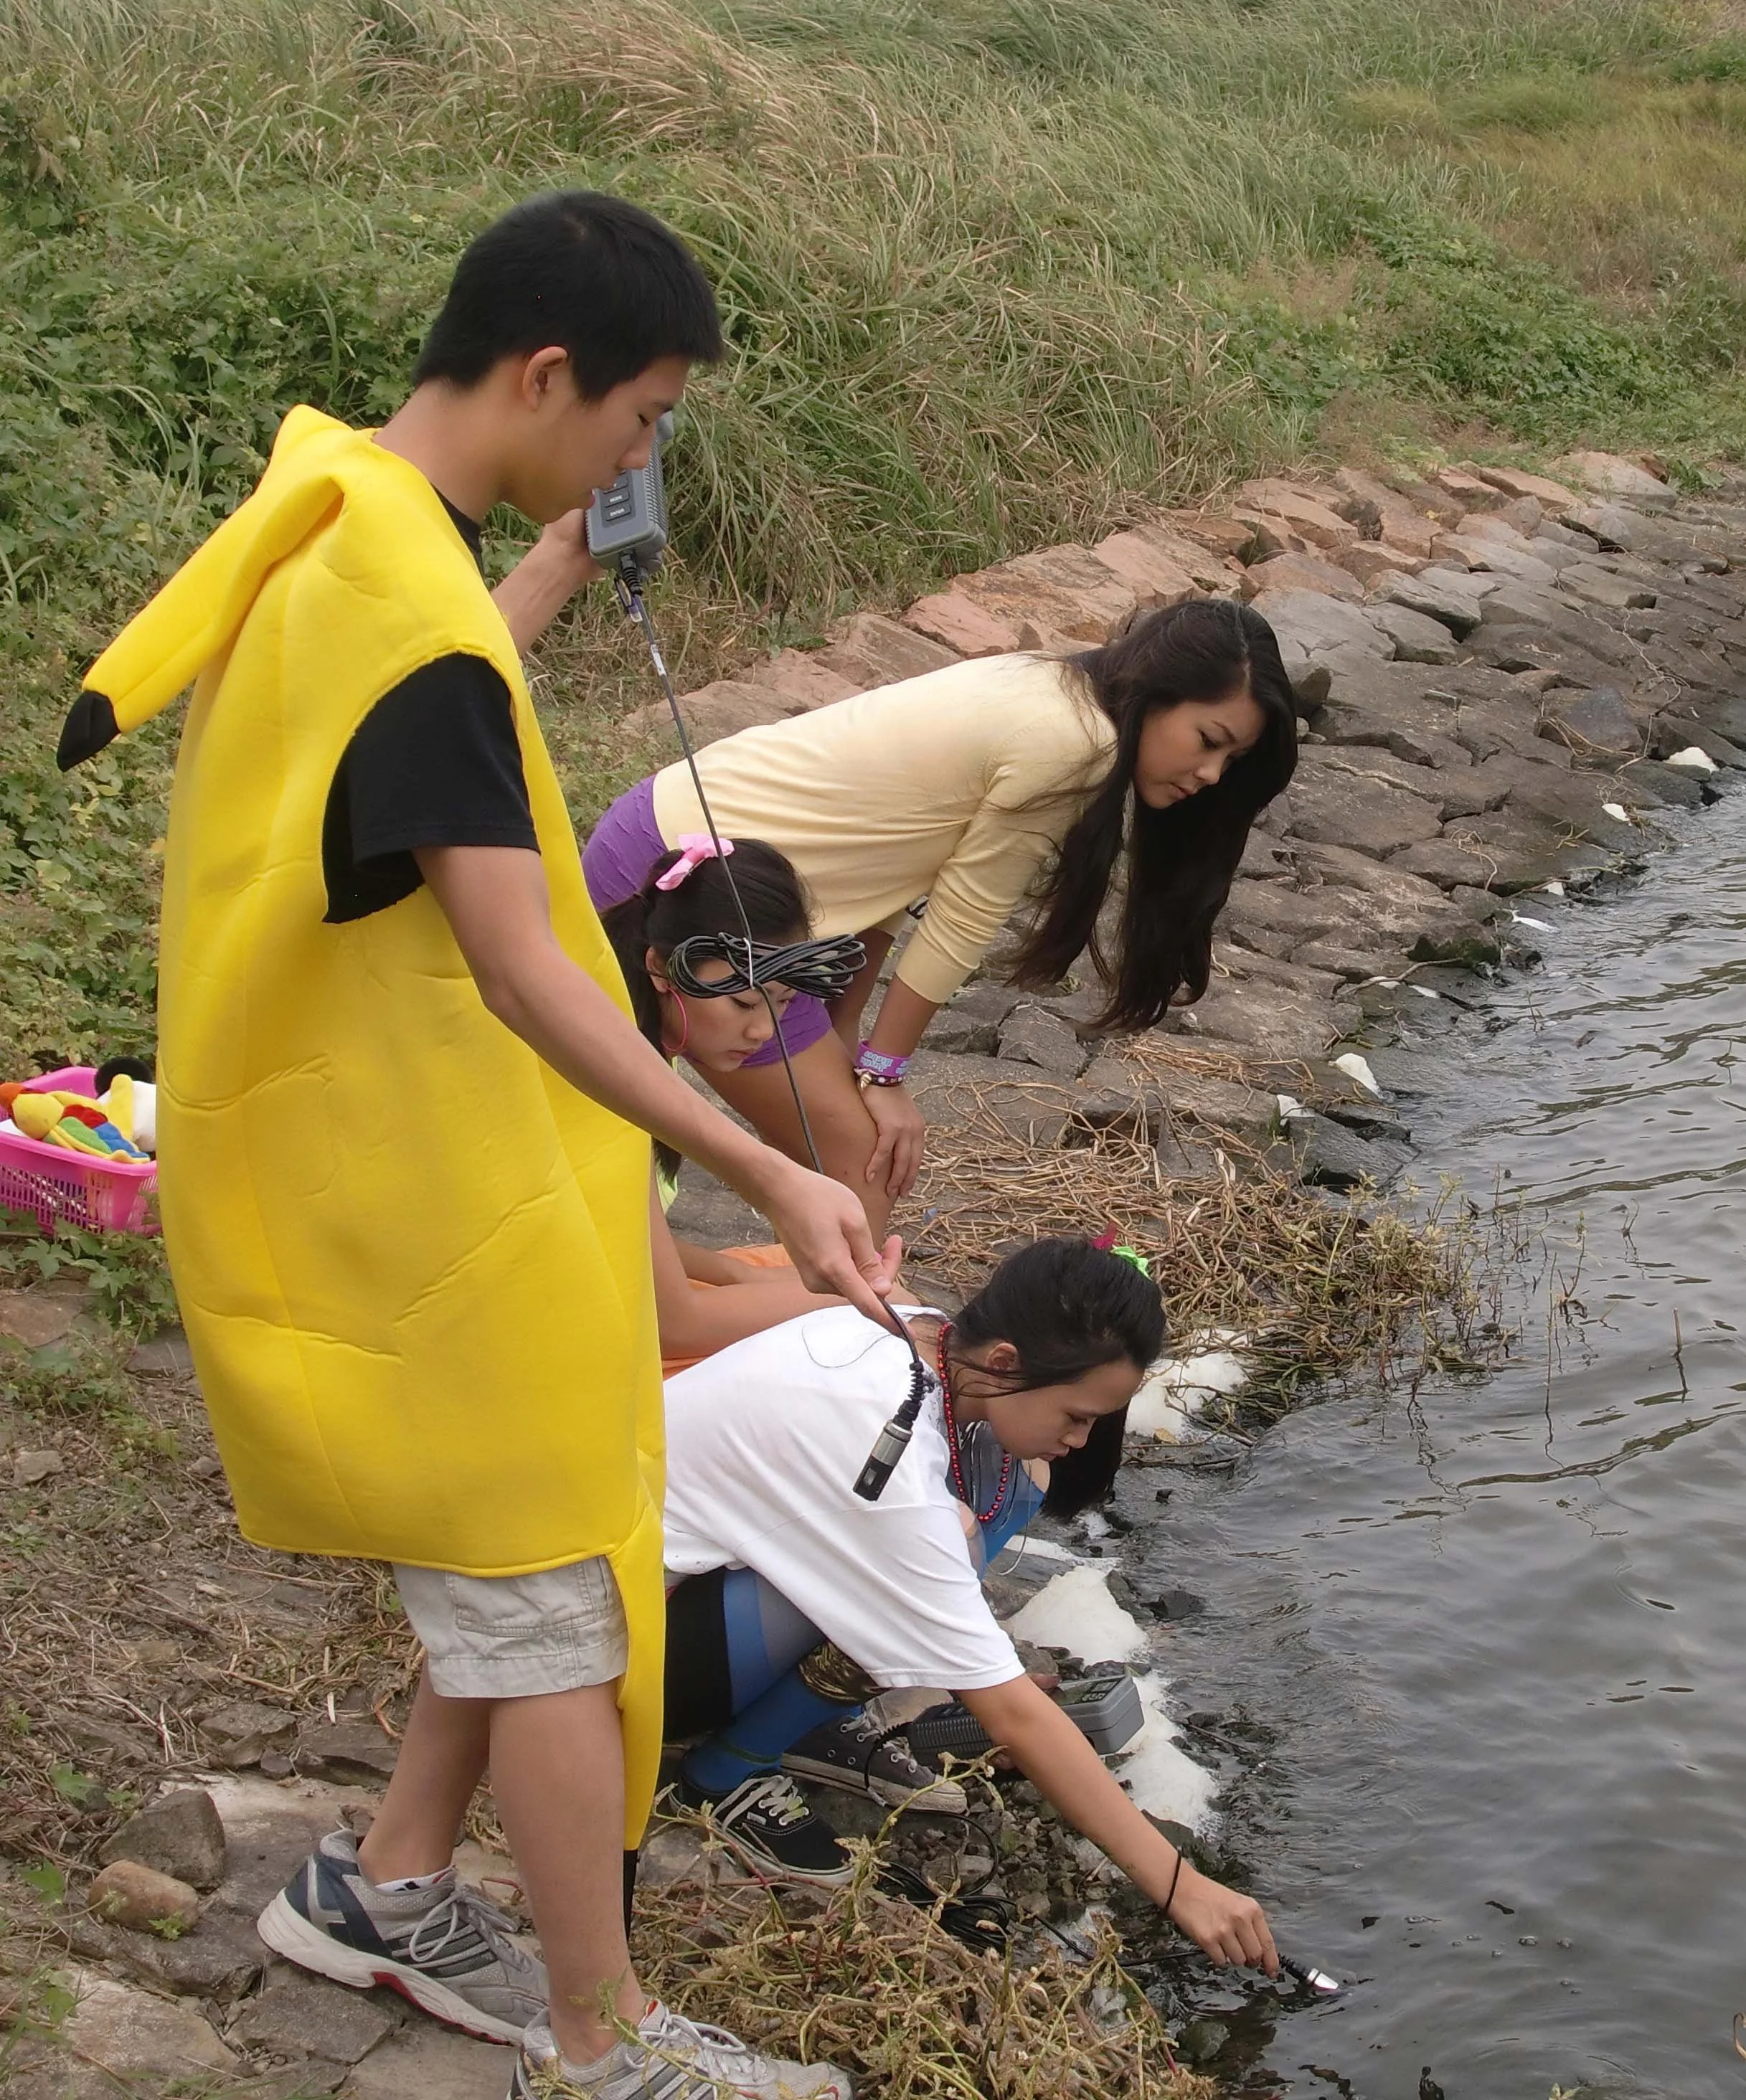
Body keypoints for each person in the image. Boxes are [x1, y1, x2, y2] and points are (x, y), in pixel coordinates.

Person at [57, 191, 892, 2100]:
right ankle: (606, 2051)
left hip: (365, 1166)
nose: (640, 454)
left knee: (523, 1577)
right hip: (412, 1206)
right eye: (639, 416)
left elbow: (419, 729)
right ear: (544, 375)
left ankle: (383, 1890)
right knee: (554, 1619)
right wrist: (772, 1165)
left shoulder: (347, 524)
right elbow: (525, 975)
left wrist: (550, 581)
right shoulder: (410, 625)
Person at [570, 597, 1298, 1238]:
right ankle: (839, 1361)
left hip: (672, 838)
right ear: (1155, 693)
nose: (1210, 777)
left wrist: (853, 1046)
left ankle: (799, 1329)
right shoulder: (1077, 747)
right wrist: (884, 1078)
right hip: (697, 885)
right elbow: (962, 916)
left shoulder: (1050, 684)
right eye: (1209, 741)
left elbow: (889, 871)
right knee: (865, 1165)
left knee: (819, 1155)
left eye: (1232, 762)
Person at [656, 1237, 1280, 1977]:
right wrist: (1179, 1885)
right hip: (633, 1655)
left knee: (1013, 1483)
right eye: (1077, 1414)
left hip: (702, 1589)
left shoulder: (916, 1328)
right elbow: (1012, 1712)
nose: (1081, 1439)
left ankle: (798, 1721)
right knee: (919, 1567)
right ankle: (730, 1770)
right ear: (1008, 1362)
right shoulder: (879, 1451)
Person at [603, 833, 905, 1371]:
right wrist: (887, 1304)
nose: (764, 1029)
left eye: (784, 1003)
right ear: (660, 968)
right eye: (744, 1002)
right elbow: (675, 1325)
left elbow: (621, 1239)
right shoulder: (607, 1076)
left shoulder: (635, 1037)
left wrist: (741, 1277)